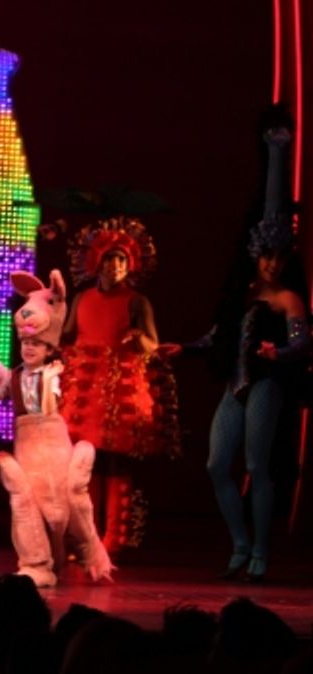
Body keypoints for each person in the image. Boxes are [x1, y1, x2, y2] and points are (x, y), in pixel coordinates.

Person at [185, 127, 308, 582]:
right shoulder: (245, 293)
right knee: (218, 465)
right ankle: (240, 543)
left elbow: (303, 342)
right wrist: (188, 347)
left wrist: (284, 351)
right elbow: (221, 335)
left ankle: (259, 550)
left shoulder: (289, 300)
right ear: (256, 257)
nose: (273, 263)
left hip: (266, 384)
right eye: (267, 256)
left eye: (279, 256)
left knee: (256, 465)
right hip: (235, 386)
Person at [59, 216, 179, 555]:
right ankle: (86, 537)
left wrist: (137, 338)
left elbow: (153, 344)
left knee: (116, 463)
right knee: (85, 464)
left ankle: (114, 537)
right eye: (110, 259)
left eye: (121, 260)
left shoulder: (137, 301)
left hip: (119, 391)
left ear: (130, 265)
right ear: (98, 262)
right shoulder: (83, 299)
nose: (114, 266)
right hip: (85, 389)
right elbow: (66, 335)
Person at [0, 269, 112, 587]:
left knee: (69, 499)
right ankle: (37, 563)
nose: (29, 348)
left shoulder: (58, 373)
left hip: (54, 441)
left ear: (49, 349)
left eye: (36, 344)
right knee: (27, 501)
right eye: (26, 343)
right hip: (28, 444)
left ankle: (91, 553)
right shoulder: (14, 376)